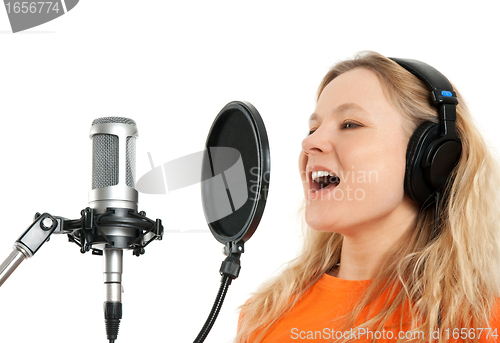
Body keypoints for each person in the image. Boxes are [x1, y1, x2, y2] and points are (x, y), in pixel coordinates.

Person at [235, 51, 500, 343]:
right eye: (313, 128)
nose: (309, 142)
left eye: (350, 124)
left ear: (433, 157)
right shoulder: (264, 316)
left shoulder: (481, 323)